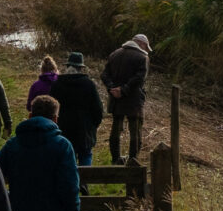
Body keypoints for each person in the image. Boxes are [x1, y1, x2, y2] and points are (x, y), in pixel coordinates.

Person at [104, 33, 152, 165]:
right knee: (135, 130)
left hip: (115, 98)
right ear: (141, 44)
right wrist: (124, 89)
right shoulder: (143, 57)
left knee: (116, 128)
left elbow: (104, 75)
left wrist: (112, 89)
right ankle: (133, 160)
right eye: (146, 47)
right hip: (133, 100)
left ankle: (115, 159)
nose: (147, 50)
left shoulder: (114, 54)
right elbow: (140, 78)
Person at [50, 50, 106, 166]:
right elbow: (98, 109)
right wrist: (93, 125)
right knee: (85, 155)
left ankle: (70, 183)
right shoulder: (89, 84)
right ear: (81, 68)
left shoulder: (57, 84)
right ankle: (84, 182)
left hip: (63, 128)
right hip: (84, 129)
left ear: (68, 67)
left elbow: (50, 107)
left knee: (67, 158)